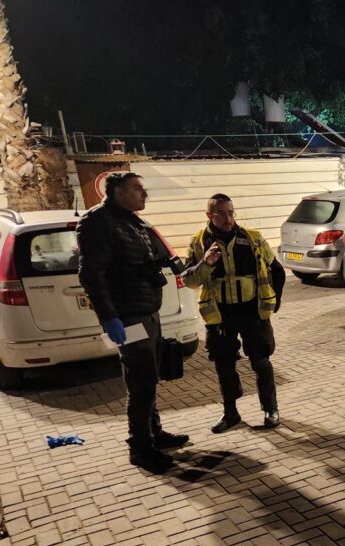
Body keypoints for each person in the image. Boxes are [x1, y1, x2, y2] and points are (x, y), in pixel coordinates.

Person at [78, 172, 189, 473]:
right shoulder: (98, 222)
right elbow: (92, 275)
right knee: (140, 382)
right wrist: (109, 317)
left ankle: (154, 433)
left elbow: (132, 264)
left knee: (149, 378)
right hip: (127, 316)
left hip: (147, 311)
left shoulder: (132, 222)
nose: (144, 194)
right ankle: (140, 448)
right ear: (118, 192)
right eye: (137, 189)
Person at [181, 193, 284, 433]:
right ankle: (230, 413)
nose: (228, 219)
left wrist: (274, 302)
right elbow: (188, 280)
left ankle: (270, 409)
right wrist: (206, 263)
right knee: (224, 365)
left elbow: (276, 270)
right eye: (221, 214)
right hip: (220, 315)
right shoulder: (199, 242)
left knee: (261, 362)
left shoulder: (252, 238)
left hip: (252, 312)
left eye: (231, 212)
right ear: (209, 215)